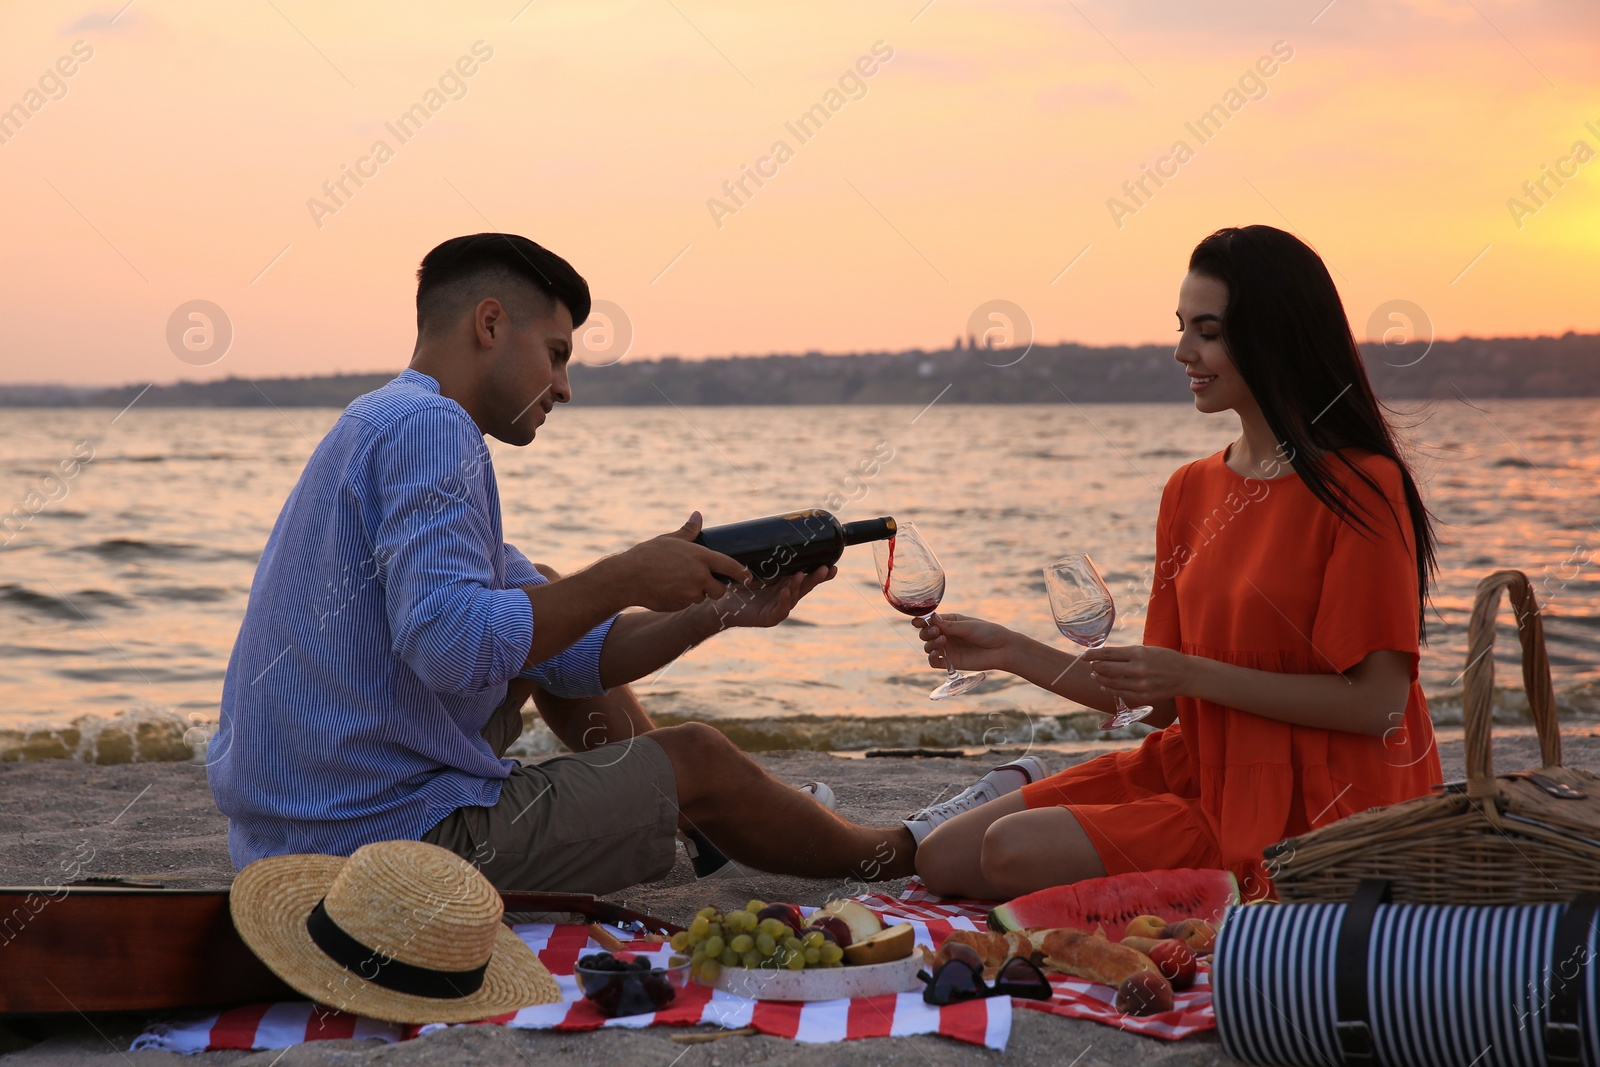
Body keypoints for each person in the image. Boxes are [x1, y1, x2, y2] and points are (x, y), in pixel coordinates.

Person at [207, 232, 1006, 894]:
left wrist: (715, 608)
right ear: (490, 323)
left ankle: (708, 832)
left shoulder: (381, 420)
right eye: (555, 354)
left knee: (544, 594)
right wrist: (627, 573)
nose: (562, 386)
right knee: (696, 756)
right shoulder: (432, 431)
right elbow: (451, 646)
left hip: (287, 839)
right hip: (378, 851)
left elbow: (573, 650)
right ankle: (901, 848)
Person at [910, 225, 1442, 902]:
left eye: (1209, 331)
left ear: (1275, 337)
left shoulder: (1361, 485)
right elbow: (1156, 701)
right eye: (1183, 326)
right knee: (943, 857)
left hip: (1315, 794)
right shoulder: (1189, 490)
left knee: (1008, 850)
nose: (1182, 350)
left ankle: (1217, 896)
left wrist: (1195, 673)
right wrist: (1010, 651)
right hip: (1203, 763)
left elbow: (1379, 706)